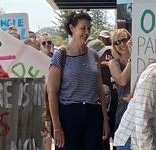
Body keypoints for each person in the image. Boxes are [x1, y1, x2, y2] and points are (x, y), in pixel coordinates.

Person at [47, 11, 110, 150]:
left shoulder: (94, 55)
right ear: (72, 28)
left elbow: (99, 88)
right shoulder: (60, 55)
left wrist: (105, 118)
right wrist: (57, 127)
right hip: (68, 115)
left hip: (93, 114)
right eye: (83, 28)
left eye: (89, 28)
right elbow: (51, 91)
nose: (86, 32)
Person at [108, 29, 132, 130]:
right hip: (124, 114)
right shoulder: (114, 63)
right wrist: (132, 59)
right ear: (114, 46)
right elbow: (122, 81)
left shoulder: (141, 60)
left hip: (142, 114)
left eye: (124, 40)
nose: (122, 44)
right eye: (117, 42)